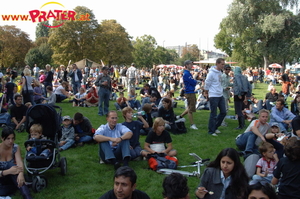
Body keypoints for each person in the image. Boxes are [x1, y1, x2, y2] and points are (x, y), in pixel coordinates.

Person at [0, 126, 32, 199]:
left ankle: (27, 197)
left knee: (13, 167)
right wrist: (7, 171)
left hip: (13, 175)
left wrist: (21, 174)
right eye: (8, 138)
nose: (11, 141)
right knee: (10, 166)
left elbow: (19, 162)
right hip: (2, 177)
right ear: (2, 138)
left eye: (12, 138)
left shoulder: (15, 147)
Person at [204, 58, 227, 136]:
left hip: (220, 94)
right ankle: (211, 130)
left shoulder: (220, 72)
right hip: (213, 95)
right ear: (217, 64)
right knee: (213, 114)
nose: (223, 66)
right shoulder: (211, 73)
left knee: (223, 112)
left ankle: (215, 127)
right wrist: (206, 93)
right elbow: (207, 83)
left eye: (224, 64)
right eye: (222, 64)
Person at [176, 60, 198, 130]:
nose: (192, 65)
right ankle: (192, 124)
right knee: (190, 109)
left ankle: (180, 116)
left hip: (190, 91)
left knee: (190, 107)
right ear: (187, 65)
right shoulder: (186, 74)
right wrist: (195, 81)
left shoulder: (188, 73)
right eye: (190, 64)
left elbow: (193, 82)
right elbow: (193, 82)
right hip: (189, 92)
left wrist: (194, 81)